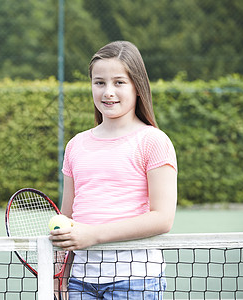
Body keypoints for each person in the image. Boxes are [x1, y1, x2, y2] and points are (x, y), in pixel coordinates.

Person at [50, 41, 177, 299]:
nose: (108, 92)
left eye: (119, 82)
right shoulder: (76, 145)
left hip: (136, 280)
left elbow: (163, 218)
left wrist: (93, 235)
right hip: (80, 282)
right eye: (99, 82)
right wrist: (58, 276)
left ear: (137, 86)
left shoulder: (154, 141)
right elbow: (66, 218)